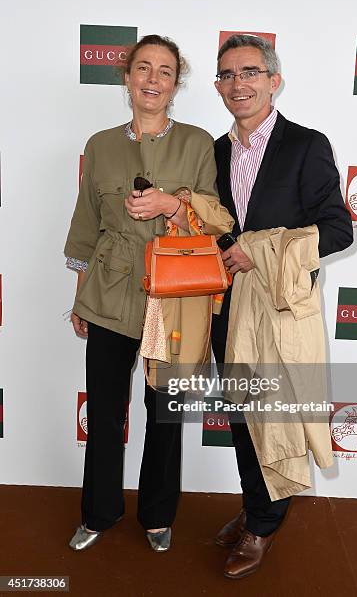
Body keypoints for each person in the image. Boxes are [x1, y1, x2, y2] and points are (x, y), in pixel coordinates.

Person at [64, 34, 233, 553]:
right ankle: (98, 512)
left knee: (165, 413)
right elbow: (86, 224)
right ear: (127, 77)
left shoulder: (199, 142)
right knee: (107, 411)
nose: (152, 79)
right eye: (143, 68)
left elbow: (217, 219)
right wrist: (80, 294)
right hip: (110, 294)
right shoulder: (100, 144)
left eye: (164, 70)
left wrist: (172, 205)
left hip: (176, 299)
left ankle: (158, 516)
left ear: (175, 81)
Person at [210, 34, 353, 579]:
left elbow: (337, 230)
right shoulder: (216, 152)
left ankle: (263, 526)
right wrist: (230, 248)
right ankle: (256, 505)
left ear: (273, 80)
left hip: (279, 311)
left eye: (248, 72)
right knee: (244, 419)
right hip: (229, 311)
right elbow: (222, 228)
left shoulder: (305, 144)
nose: (237, 84)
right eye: (226, 75)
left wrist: (260, 251)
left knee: (275, 417)